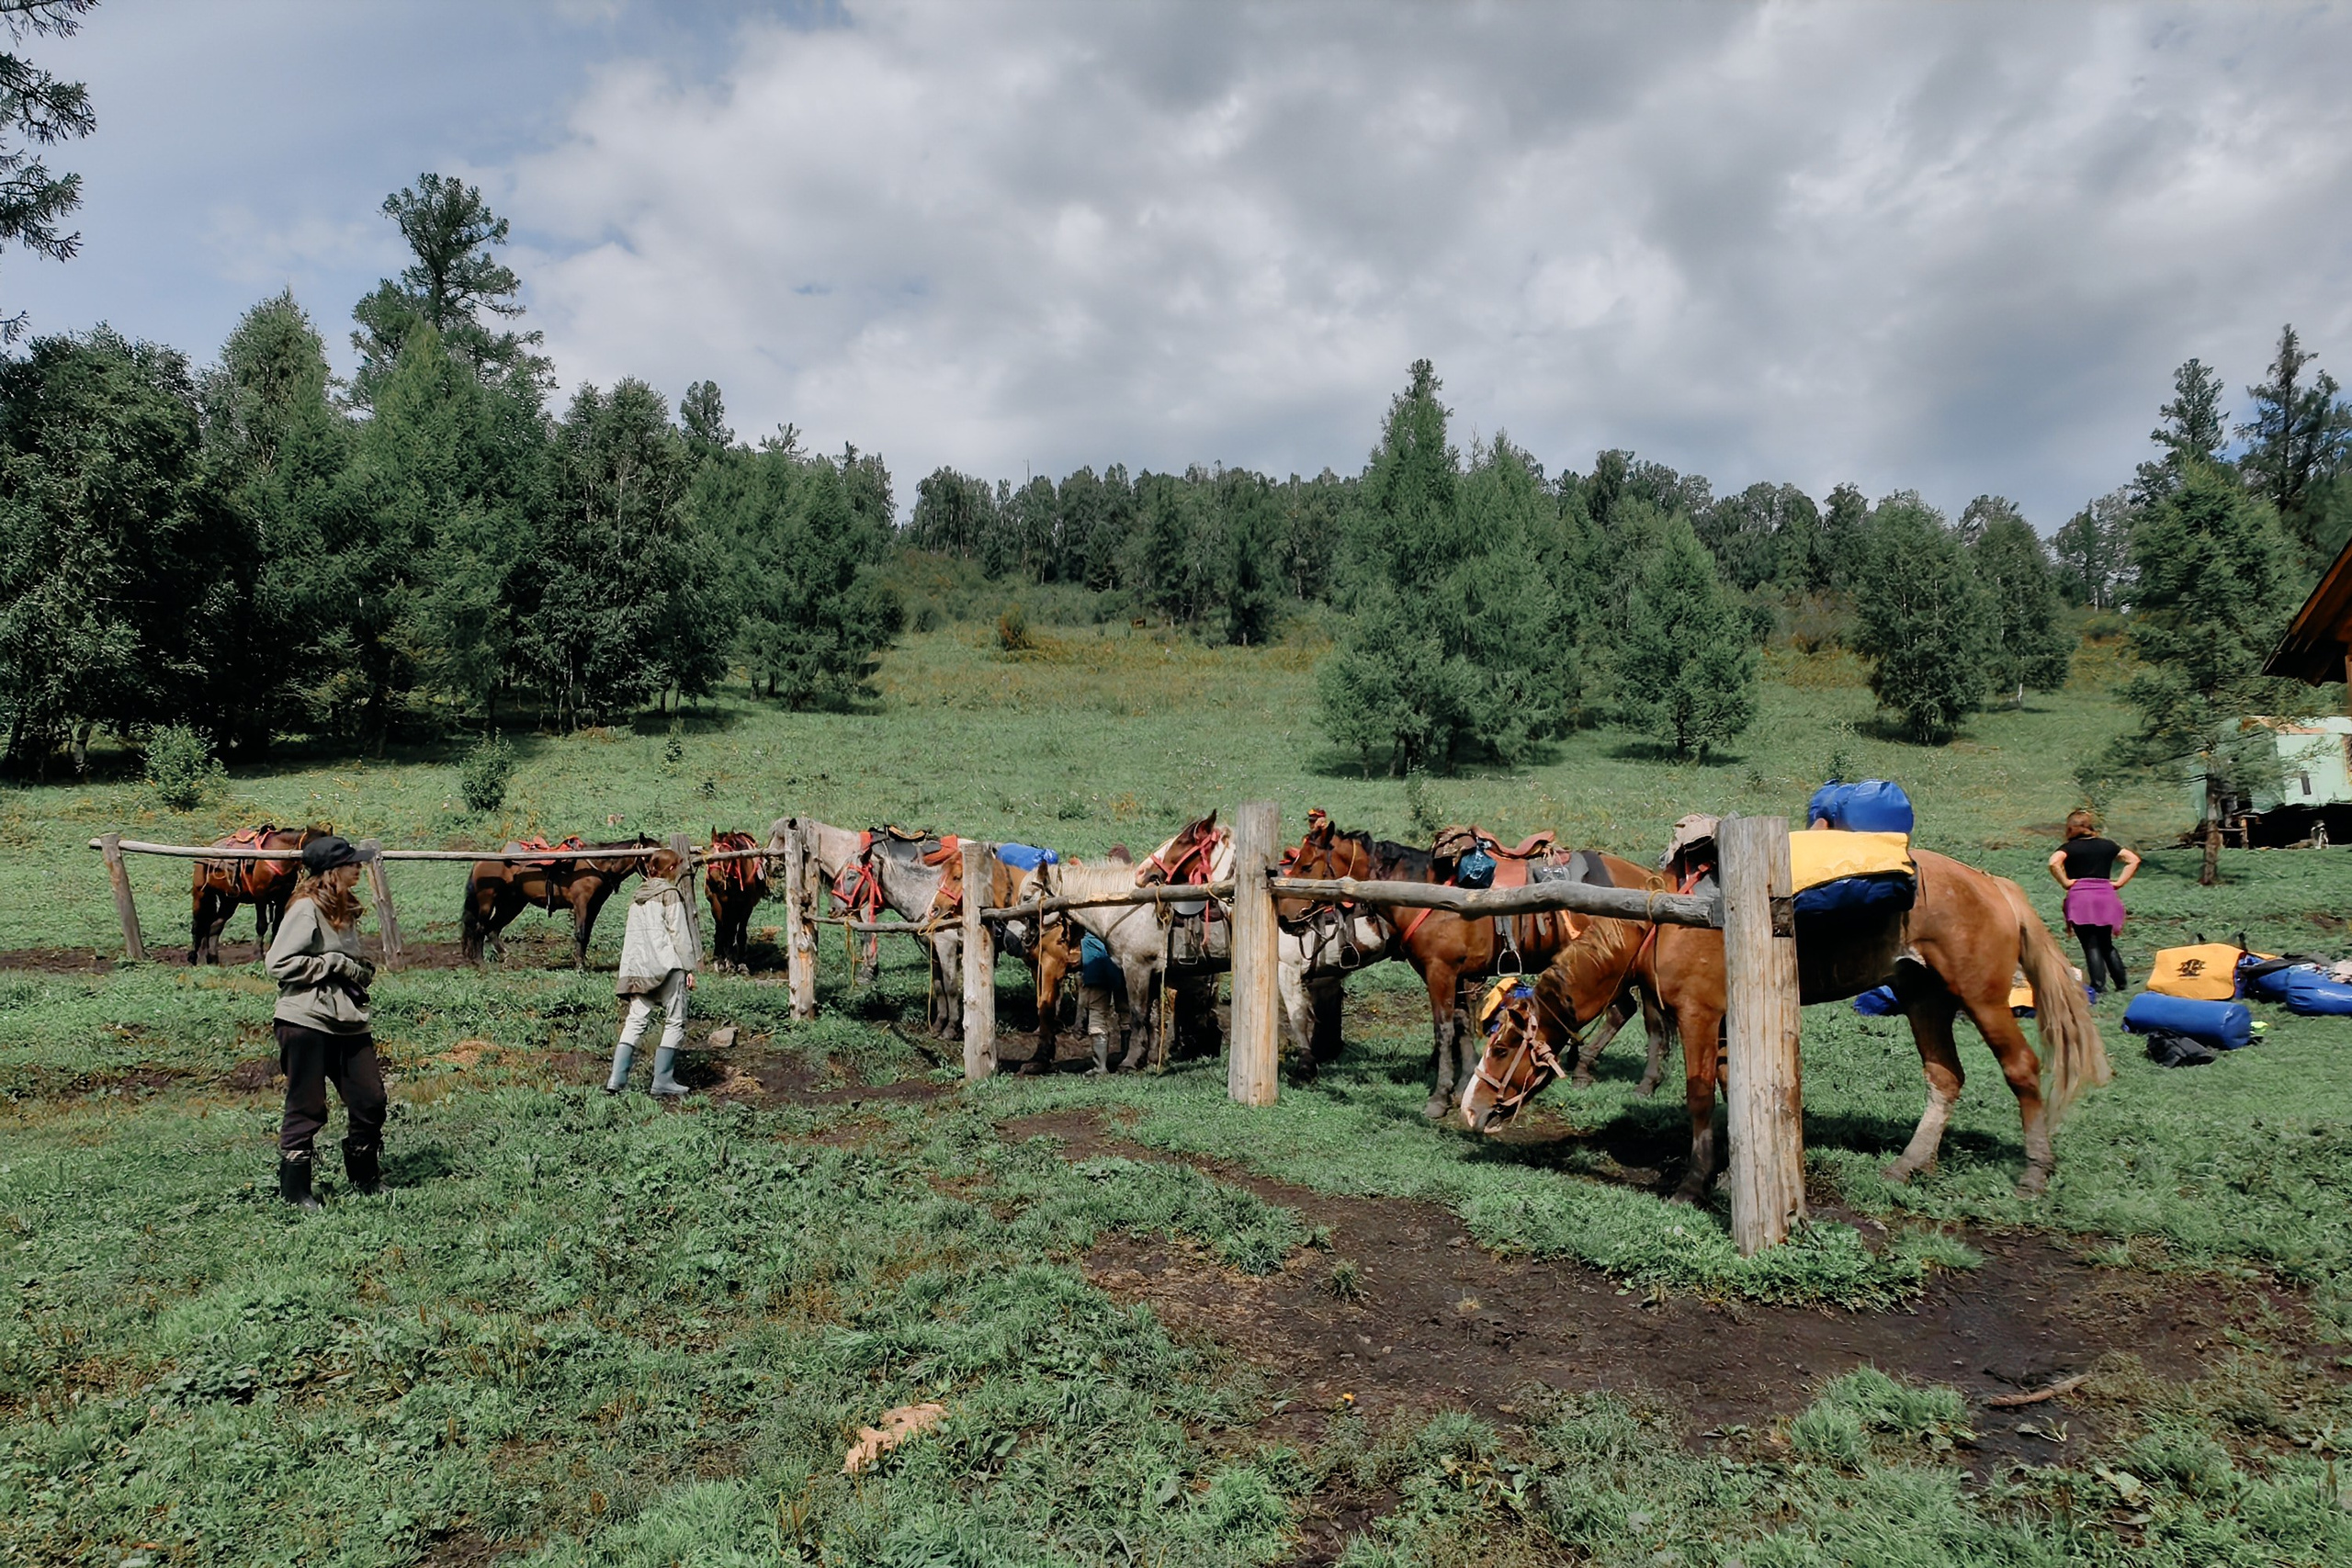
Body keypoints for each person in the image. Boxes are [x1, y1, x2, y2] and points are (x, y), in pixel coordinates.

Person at [266, 834, 384, 1211]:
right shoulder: (306, 908)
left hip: (347, 1018)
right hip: (306, 1019)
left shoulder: (343, 905)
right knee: (307, 1105)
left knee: (370, 1100)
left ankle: (364, 1177)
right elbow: (278, 963)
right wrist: (333, 964)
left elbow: (346, 957)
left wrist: (359, 969)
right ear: (332, 871)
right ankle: (296, 1193)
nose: (359, 868)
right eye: (352, 863)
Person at [607, 848, 699, 1097]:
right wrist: (688, 967)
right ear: (671, 868)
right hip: (667, 965)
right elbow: (678, 932)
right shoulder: (670, 894)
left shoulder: (637, 895)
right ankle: (663, 1080)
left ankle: (616, 1080)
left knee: (635, 1020)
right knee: (675, 1020)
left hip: (639, 968)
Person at [2049, 809, 2140, 998]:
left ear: (2071, 828)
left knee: (2090, 944)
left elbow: (2053, 863)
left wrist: (2066, 882)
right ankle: (2122, 983)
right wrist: (2119, 882)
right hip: (2105, 896)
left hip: (2081, 898)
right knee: (2106, 943)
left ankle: (2098, 986)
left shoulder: (2069, 848)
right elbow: (2133, 859)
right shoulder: (2107, 845)